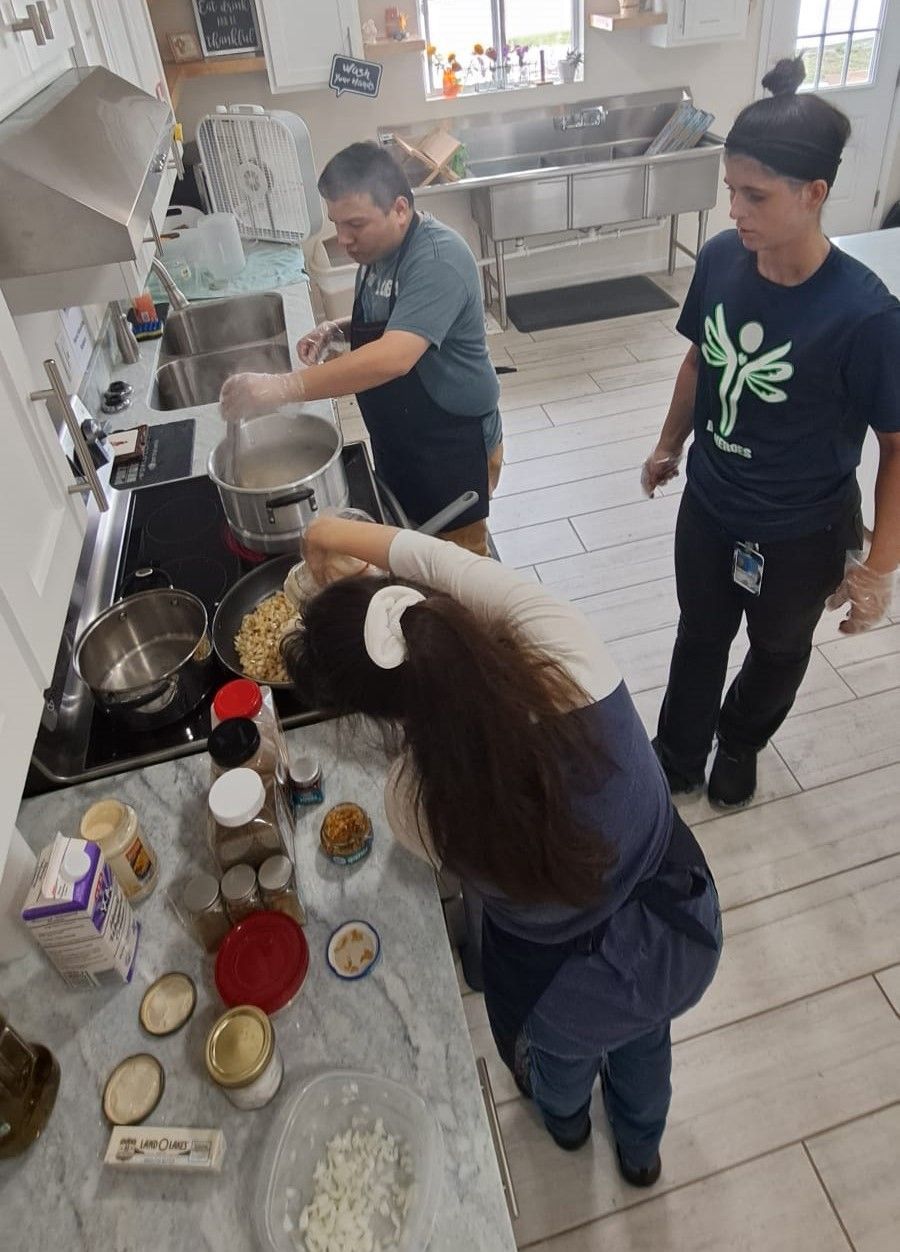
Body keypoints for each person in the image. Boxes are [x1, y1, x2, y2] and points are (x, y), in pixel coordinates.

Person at [283, 514, 722, 1185]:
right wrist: (333, 530)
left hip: (561, 990)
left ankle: (568, 1126)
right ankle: (641, 1153)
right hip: (679, 927)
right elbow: (441, 562)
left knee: (563, 1066)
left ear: (379, 713)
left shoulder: (414, 802)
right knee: (645, 1038)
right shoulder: (564, 644)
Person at [643, 57, 900, 809]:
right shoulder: (724, 261)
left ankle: (741, 741)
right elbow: (701, 358)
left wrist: (879, 568)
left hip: (801, 532)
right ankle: (678, 753)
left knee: (780, 648)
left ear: (813, 194)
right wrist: (669, 445)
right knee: (700, 633)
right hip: (712, 505)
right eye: (732, 191)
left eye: (754, 195)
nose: (735, 212)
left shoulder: (866, 316)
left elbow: (897, 448)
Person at [219, 141, 504, 555]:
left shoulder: (437, 259)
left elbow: (395, 355)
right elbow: (397, 318)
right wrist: (336, 329)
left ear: (400, 209)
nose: (344, 240)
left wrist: (281, 387)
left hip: (452, 445)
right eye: (337, 224)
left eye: (355, 224)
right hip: (406, 438)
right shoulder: (379, 250)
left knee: (460, 566)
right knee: (417, 543)